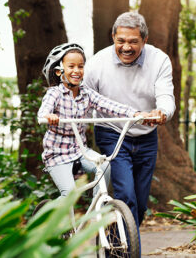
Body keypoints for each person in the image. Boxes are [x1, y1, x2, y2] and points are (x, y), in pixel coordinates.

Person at [84, 12, 175, 228]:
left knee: (140, 205)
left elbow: (165, 95)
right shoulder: (97, 63)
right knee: (126, 195)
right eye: (121, 41)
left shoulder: (159, 60)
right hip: (111, 132)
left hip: (146, 136)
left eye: (133, 41)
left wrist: (162, 112)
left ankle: (118, 241)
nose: (126, 47)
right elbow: (83, 101)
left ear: (144, 40)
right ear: (113, 37)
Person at [37, 42, 152, 199]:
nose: (76, 71)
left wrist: (136, 114)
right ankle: (50, 220)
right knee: (69, 193)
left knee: (104, 165)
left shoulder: (87, 94)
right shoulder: (54, 94)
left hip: (80, 151)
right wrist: (49, 117)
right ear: (59, 71)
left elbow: (110, 105)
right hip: (57, 154)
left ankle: (98, 207)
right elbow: (43, 113)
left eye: (80, 66)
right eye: (71, 66)